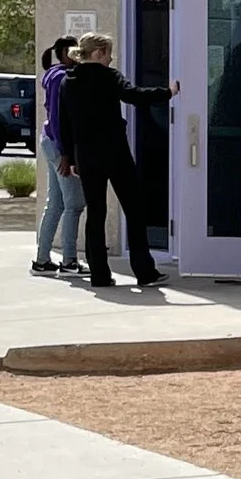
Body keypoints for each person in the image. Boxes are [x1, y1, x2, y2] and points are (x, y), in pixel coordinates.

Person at [56, 31, 172, 291]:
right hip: (114, 151)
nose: (110, 59)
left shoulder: (68, 81)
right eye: (108, 53)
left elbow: (64, 123)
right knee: (134, 208)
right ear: (98, 53)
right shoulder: (109, 77)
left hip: (86, 155)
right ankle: (144, 271)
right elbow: (135, 95)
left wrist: (70, 156)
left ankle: (99, 275)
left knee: (95, 213)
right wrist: (168, 92)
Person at [30, 39, 85, 279]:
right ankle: (70, 261)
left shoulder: (54, 75)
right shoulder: (60, 78)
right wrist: (65, 154)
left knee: (56, 203)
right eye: (75, 52)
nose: (79, 56)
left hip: (49, 142)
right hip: (56, 145)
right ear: (65, 53)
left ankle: (42, 260)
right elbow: (58, 118)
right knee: (74, 204)